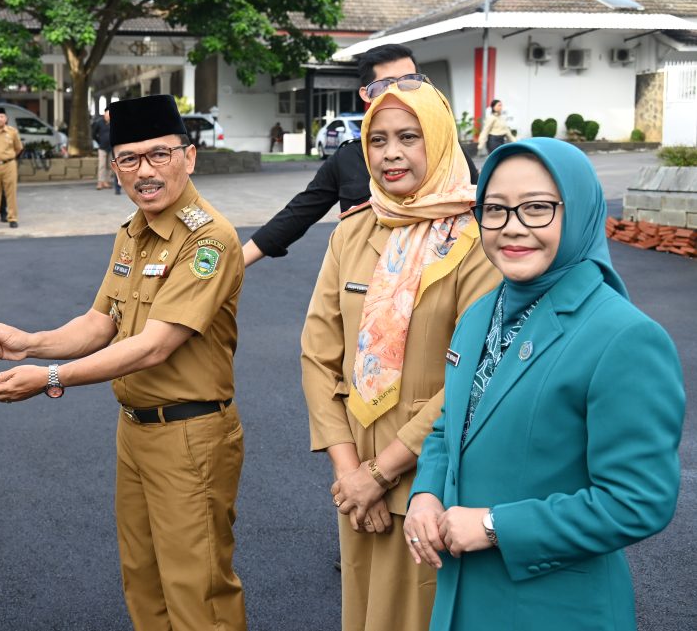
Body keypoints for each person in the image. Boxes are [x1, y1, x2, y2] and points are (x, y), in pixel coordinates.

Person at [0, 94, 248, 631]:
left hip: (189, 435)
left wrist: (50, 378)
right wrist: (29, 341)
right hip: (136, 432)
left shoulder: (208, 238)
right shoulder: (134, 231)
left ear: (188, 157)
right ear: (115, 166)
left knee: (199, 593)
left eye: (159, 155)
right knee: (143, 580)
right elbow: (100, 322)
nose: (144, 172)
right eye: (129, 158)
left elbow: (154, 345)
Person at [404, 139, 685, 631]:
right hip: (461, 602)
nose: (512, 227)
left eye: (537, 208)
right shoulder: (479, 315)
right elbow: (451, 425)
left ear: (577, 213)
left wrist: (494, 526)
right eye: (494, 209)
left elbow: (638, 499)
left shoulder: (624, 337)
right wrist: (425, 493)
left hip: (554, 609)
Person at [300, 80, 500, 631]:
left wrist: (381, 473)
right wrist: (349, 472)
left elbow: (475, 372)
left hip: (429, 475)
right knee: (361, 614)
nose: (391, 154)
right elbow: (318, 352)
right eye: (379, 140)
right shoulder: (354, 231)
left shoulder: (476, 238)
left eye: (409, 137)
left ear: (437, 140)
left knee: (418, 616)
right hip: (355, 479)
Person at [243, 44, 479, 267]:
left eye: (409, 82)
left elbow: (483, 206)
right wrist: (229, 266)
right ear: (366, 95)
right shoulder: (347, 159)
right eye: (387, 84)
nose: (400, 94)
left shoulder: (448, 152)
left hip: (441, 277)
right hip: (365, 283)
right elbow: (298, 214)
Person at [92, 109, 112, 189]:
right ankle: (100, 182)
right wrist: (99, 141)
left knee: (109, 166)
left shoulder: (113, 123)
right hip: (102, 147)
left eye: (110, 116)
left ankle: (106, 182)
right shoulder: (99, 123)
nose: (108, 117)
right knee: (102, 165)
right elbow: (93, 134)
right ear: (104, 115)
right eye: (107, 115)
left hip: (111, 147)